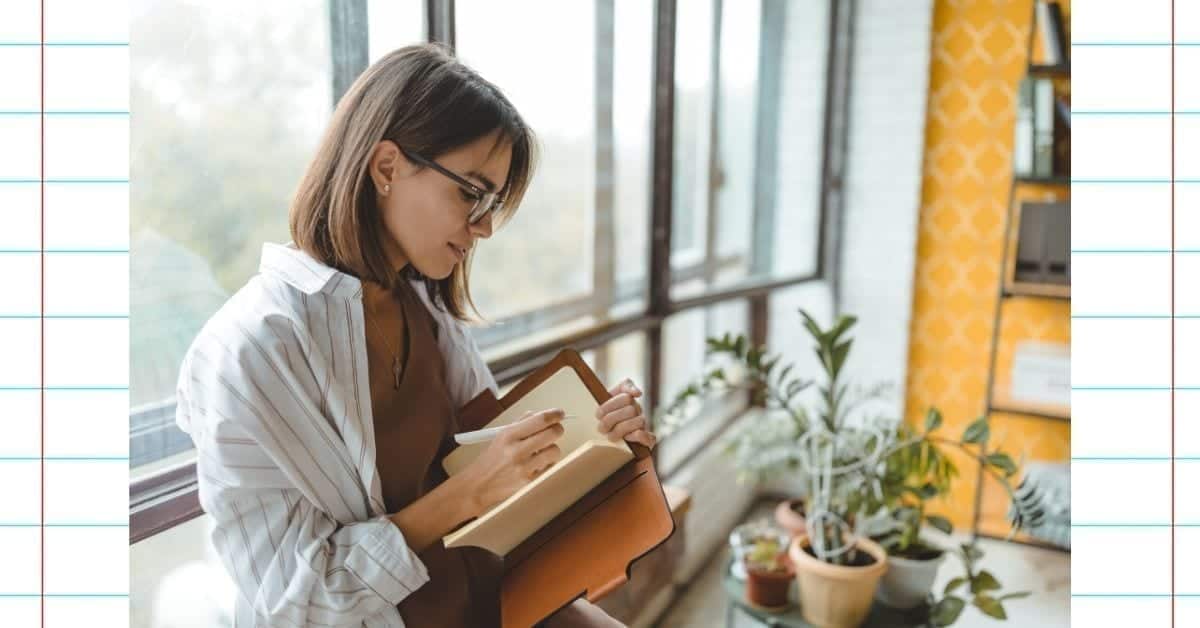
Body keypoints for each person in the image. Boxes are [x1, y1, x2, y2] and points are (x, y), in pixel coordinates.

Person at [174, 43, 655, 627]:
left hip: (492, 597)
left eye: (494, 203)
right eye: (471, 192)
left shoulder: (424, 307)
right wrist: (467, 495)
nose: (483, 228)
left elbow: (497, 463)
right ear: (386, 167)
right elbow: (295, 605)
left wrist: (600, 441)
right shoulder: (251, 350)